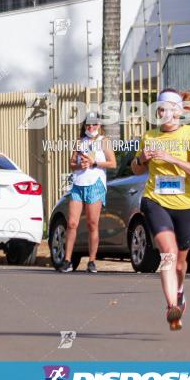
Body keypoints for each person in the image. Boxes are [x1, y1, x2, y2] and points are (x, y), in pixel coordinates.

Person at [131, 89, 190, 330]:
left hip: (186, 204)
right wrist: (142, 158)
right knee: (168, 253)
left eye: (169, 109)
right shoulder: (149, 136)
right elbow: (136, 170)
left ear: (179, 111)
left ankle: (180, 290)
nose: (165, 114)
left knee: (179, 264)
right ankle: (171, 307)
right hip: (156, 201)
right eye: (160, 109)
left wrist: (172, 158)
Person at [59, 112, 117, 273]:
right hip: (78, 184)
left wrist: (95, 163)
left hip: (95, 184)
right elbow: (72, 163)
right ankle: (67, 260)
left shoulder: (104, 142)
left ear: (99, 126)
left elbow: (112, 163)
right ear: (85, 126)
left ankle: (92, 260)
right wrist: (80, 166)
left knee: (92, 223)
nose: (91, 127)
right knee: (72, 223)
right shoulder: (80, 142)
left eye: (94, 124)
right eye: (88, 124)